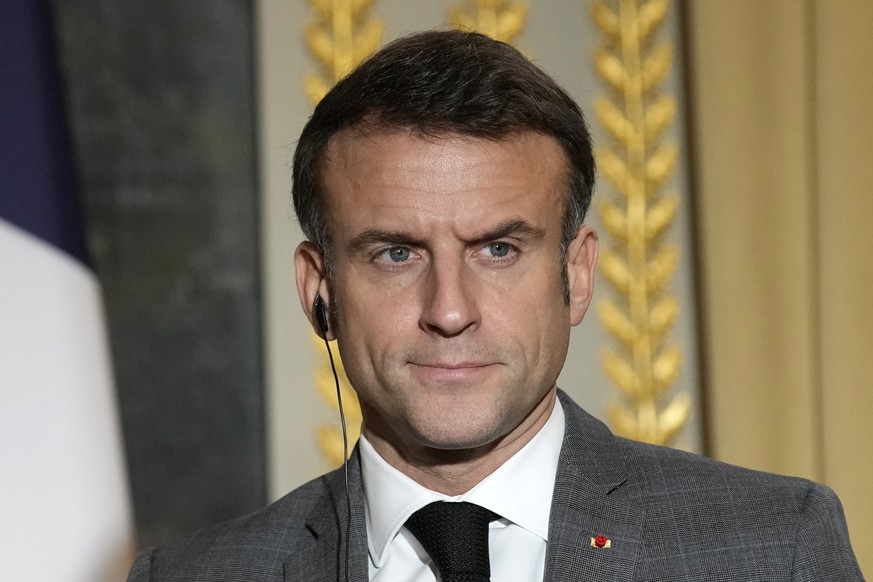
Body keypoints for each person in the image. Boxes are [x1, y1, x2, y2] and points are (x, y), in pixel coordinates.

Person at [127, 30, 863, 581]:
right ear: (320, 291)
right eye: (395, 254)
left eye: (498, 250)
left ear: (575, 275)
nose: (449, 310)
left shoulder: (772, 546)